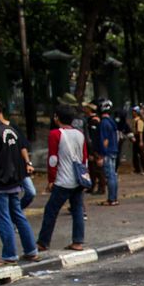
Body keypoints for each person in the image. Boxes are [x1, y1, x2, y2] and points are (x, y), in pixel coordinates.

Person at [0, 94, 38, 265]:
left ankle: (9, 255)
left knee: (4, 219)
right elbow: (18, 157)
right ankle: (31, 250)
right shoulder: (10, 130)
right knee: (18, 216)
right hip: (14, 182)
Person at [37, 104, 88, 251]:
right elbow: (84, 159)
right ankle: (78, 241)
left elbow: (53, 159)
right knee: (77, 209)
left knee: (51, 210)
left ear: (57, 118)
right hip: (78, 179)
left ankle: (43, 242)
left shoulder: (55, 134)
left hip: (62, 180)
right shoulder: (80, 134)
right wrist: (85, 177)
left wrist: (51, 180)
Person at [97, 100, 120, 206]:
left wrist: (101, 155)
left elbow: (104, 140)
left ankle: (111, 199)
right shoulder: (112, 122)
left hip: (108, 152)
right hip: (114, 150)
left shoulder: (103, 123)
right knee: (113, 175)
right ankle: (114, 197)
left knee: (109, 175)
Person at [130, 106, 144, 174]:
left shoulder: (139, 121)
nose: (133, 112)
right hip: (135, 137)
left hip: (139, 137)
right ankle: (137, 169)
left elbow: (140, 131)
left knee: (141, 154)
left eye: (134, 111)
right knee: (135, 154)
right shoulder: (134, 120)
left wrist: (141, 141)